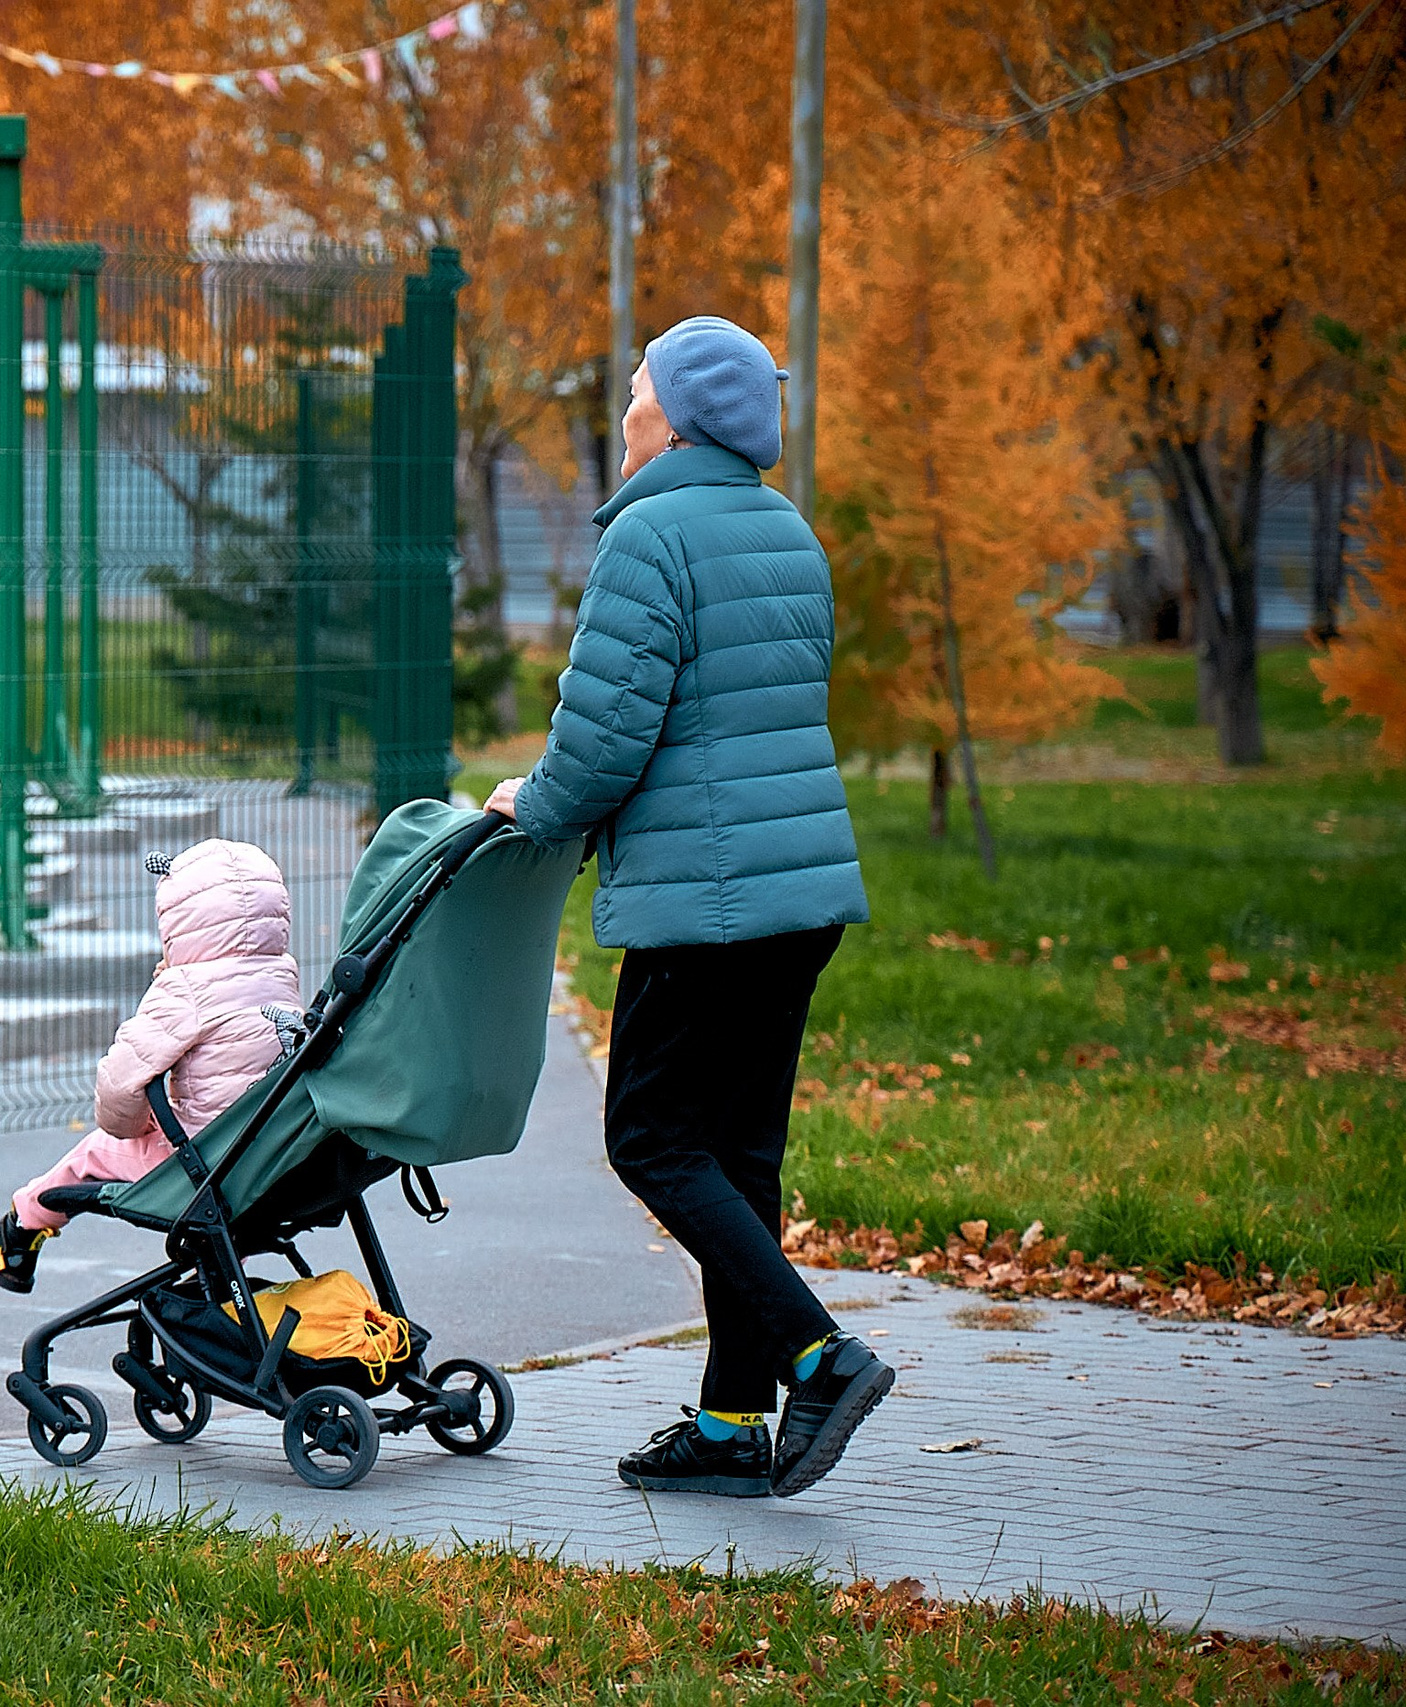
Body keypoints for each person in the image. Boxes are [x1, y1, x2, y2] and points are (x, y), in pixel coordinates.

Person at [487, 314, 891, 1499]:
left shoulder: (650, 535)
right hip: (795, 897)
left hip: (704, 906)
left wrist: (530, 806)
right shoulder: (786, 530)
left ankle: (820, 1358)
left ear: (679, 416)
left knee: (651, 1140)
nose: (621, 411)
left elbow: (605, 738)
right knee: (738, 1158)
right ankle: (727, 1425)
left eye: (636, 391)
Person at [0, 838, 302, 1293]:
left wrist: (135, 1129)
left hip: (203, 1165)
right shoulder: (282, 973)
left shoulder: (185, 989)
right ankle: (219, 1280)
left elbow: (120, 1087)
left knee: (93, 1154)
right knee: (218, 1163)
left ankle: (17, 1235)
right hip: (271, 1157)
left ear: (179, 918)